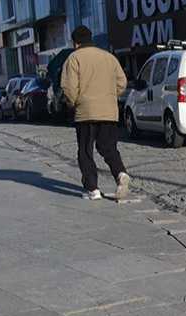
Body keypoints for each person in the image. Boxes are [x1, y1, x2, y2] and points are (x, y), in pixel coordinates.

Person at [61, 26, 130, 201]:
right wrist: (110, 96)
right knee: (108, 147)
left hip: (85, 112)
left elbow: (69, 87)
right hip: (108, 112)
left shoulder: (74, 58)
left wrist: (74, 103)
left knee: (85, 151)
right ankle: (120, 173)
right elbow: (122, 82)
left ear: (75, 42)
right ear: (91, 38)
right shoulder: (109, 57)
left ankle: (93, 189)